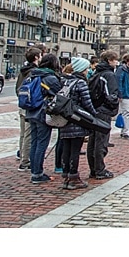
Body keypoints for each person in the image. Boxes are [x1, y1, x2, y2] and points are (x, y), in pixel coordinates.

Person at [55, 57, 99, 190]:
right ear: (82, 69)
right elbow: (87, 103)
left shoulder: (65, 81)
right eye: (86, 69)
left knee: (66, 148)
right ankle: (74, 177)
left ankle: (66, 176)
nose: (87, 71)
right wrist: (94, 116)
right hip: (77, 119)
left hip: (65, 119)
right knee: (75, 149)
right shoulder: (80, 83)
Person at [25, 53, 61, 183]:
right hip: (42, 113)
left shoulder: (33, 74)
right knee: (42, 143)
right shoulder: (50, 77)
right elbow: (59, 93)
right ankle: (37, 173)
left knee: (34, 142)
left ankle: (34, 170)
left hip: (31, 111)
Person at [85, 51, 120, 179]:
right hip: (103, 110)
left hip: (94, 109)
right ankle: (99, 169)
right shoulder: (109, 74)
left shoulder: (97, 72)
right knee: (101, 140)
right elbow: (111, 94)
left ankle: (93, 168)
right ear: (109, 60)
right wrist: (112, 104)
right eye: (115, 60)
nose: (116, 62)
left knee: (93, 140)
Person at [16, 46, 42, 170]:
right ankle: (25, 161)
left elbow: (18, 87)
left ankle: (22, 155)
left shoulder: (23, 70)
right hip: (30, 106)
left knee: (23, 134)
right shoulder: (34, 72)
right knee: (29, 135)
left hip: (22, 104)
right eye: (40, 55)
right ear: (36, 57)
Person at [115, 52, 129, 140]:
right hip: (125, 94)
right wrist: (120, 93)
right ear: (127, 60)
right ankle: (126, 132)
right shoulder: (122, 69)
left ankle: (125, 130)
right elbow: (119, 81)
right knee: (126, 112)